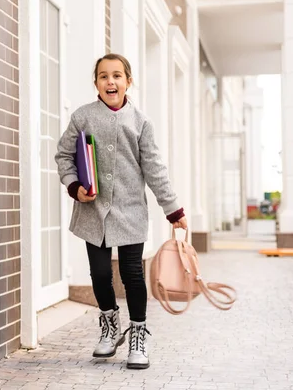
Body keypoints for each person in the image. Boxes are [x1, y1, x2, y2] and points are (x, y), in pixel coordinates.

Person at [54, 53, 187, 370]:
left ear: (128, 81)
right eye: (103, 76)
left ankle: (138, 335)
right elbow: (63, 156)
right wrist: (75, 187)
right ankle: (110, 327)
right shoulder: (82, 117)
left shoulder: (141, 123)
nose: (110, 81)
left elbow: (154, 169)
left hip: (130, 212)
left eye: (116, 76)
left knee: (132, 274)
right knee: (100, 274)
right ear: (96, 83)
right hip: (93, 211)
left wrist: (173, 210)